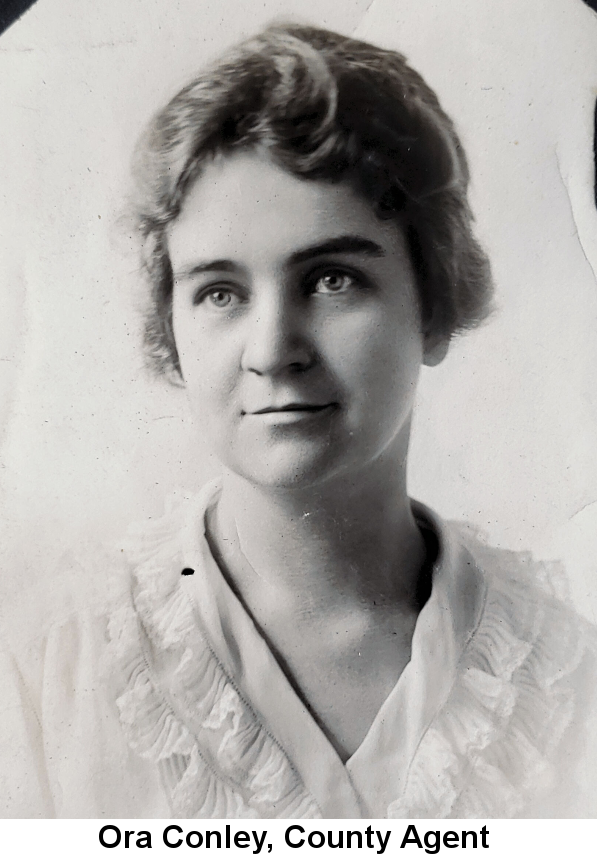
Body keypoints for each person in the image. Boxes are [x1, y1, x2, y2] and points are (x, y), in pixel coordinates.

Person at [1, 23, 595, 819]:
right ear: (170, 326)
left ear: (434, 302)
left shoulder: (565, 677)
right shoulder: (47, 680)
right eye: (220, 291)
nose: (271, 350)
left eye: (332, 279)